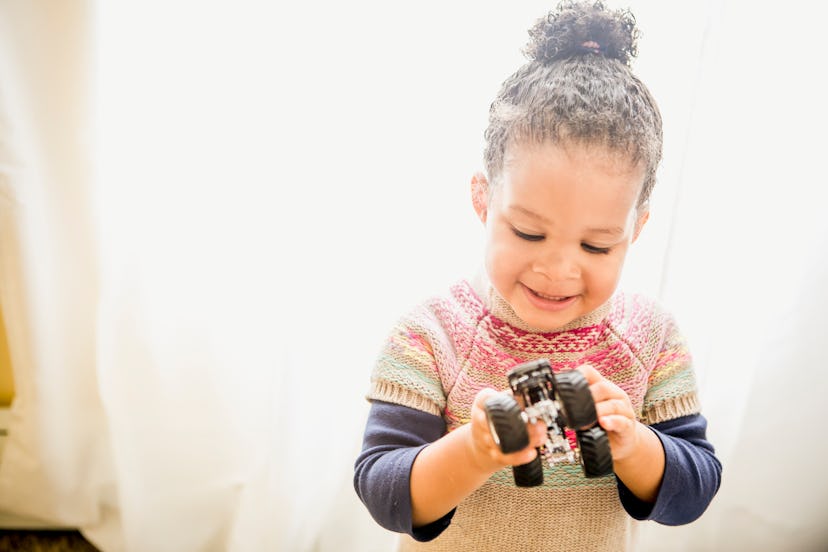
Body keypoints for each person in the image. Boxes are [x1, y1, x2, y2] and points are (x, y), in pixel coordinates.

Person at [353, 2, 721, 550]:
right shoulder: (429, 336)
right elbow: (382, 490)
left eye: (596, 245)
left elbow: (696, 489)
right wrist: (474, 451)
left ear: (637, 229)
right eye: (528, 233)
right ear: (483, 199)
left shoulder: (652, 339)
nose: (557, 269)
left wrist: (634, 444)